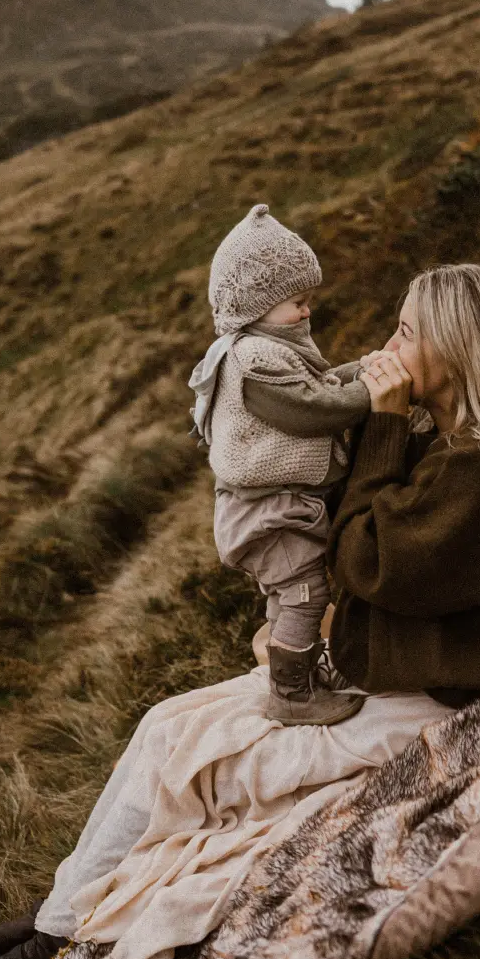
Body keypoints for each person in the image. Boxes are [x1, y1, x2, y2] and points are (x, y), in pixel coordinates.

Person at [0, 263, 480, 959]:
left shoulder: (479, 467)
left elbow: (367, 561)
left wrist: (381, 424)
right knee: (165, 723)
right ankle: (47, 923)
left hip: (419, 705)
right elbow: (383, 565)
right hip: (382, 676)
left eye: (408, 331)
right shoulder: (448, 444)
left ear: (454, 350)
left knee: (198, 768)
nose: (389, 343)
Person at [190, 202, 371, 724]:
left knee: (289, 596)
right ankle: (292, 696)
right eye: (297, 301)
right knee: (306, 593)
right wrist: (372, 392)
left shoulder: (268, 350)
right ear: (255, 306)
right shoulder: (252, 360)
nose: (307, 311)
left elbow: (315, 386)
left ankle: (298, 671)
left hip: (271, 507)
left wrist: (359, 368)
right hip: (267, 511)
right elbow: (310, 408)